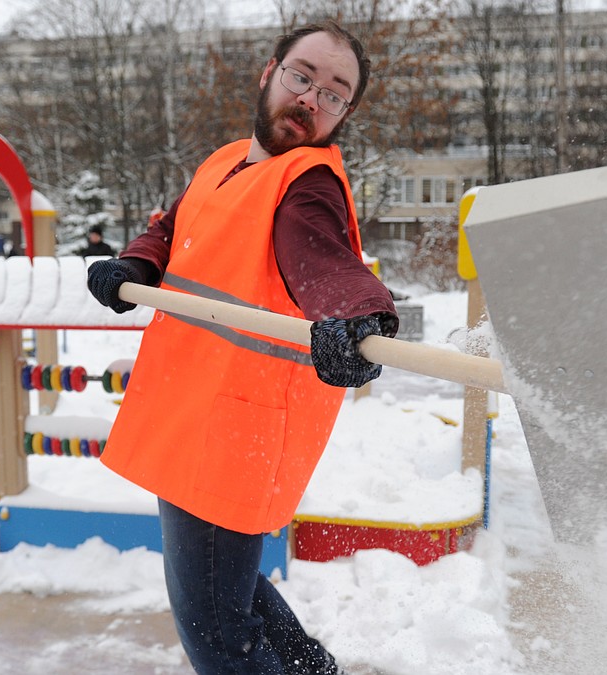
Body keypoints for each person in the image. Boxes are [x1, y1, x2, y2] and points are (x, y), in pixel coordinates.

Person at [85, 21, 396, 675]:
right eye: (303, 76)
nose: (314, 96)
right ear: (269, 74)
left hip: (234, 434)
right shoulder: (226, 161)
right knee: (229, 588)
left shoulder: (305, 186)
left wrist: (358, 321)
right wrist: (136, 265)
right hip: (191, 413)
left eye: (336, 93)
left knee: (218, 636)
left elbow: (328, 262)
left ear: (344, 116)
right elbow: (175, 224)